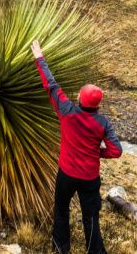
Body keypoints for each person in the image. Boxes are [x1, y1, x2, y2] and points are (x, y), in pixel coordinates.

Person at [31, 39, 123, 254]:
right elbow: (116, 150)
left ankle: (61, 249)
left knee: (61, 210)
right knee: (91, 217)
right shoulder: (103, 123)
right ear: (97, 105)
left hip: (67, 174)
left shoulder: (67, 111)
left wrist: (39, 58)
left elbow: (51, 85)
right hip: (89, 178)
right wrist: (98, 152)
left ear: (81, 98)